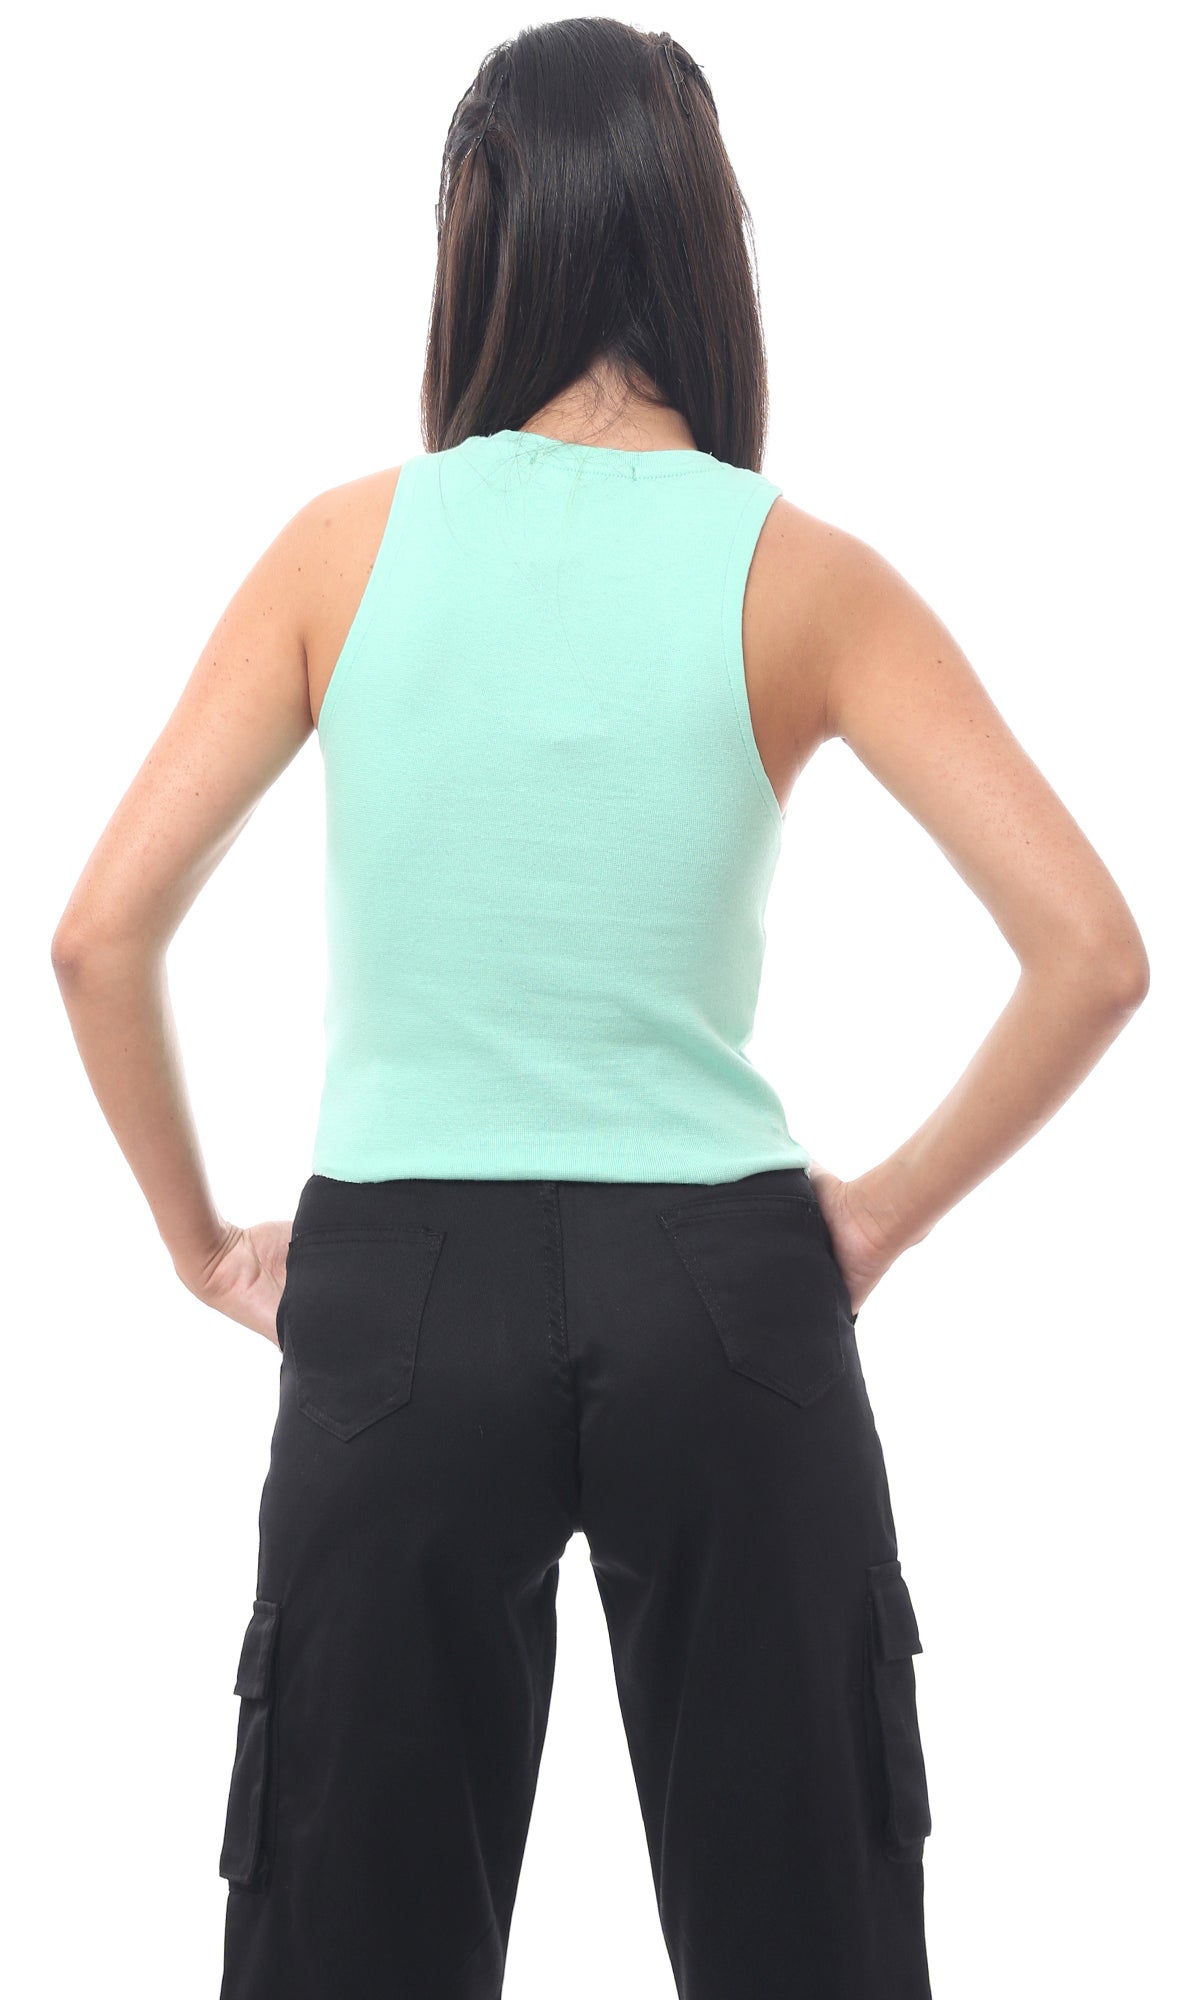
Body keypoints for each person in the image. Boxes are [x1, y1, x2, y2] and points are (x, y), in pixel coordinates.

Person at [50, 18, 1149, 2000]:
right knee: (815, 1943)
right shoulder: (804, 571)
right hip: (723, 1289)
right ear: (704, 240)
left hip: (400, 1290)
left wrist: (202, 1245)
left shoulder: (338, 551)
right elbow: (1092, 950)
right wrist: (873, 1217)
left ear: (476, 232)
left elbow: (98, 936)